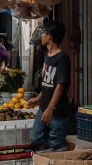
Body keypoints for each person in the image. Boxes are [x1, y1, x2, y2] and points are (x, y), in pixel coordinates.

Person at [28, 20, 71, 153]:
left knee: (57, 144)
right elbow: (47, 84)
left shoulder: (62, 58)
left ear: (50, 36)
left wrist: (50, 108)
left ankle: (61, 151)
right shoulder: (47, 56)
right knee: (36, 137)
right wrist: (38, 98)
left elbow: (60, 85)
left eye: (43, 33)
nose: (41, 36)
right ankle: (64, 146)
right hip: (43, 107)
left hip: (56, 111)